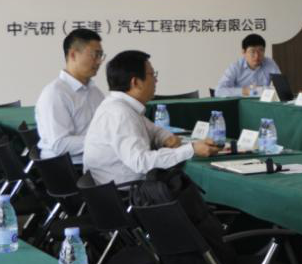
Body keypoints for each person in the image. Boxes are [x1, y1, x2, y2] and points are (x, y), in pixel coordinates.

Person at [83, 50, 220, 185]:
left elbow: (153, 129)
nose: (156, 80)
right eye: (152, 74)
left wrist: (166, 138)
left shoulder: (121, 105)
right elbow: (141, 162)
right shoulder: (120, 113)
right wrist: (191, 149)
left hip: (123, 187)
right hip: (125, 193)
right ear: (136, 82)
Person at [35, 28, 107, 163]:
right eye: (95, 55)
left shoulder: (94, 91)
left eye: (101, 55)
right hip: (70, 168)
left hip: (96, 161)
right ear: (73, 55)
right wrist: (104, 141)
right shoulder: (55, 94)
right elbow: (60, 145)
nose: (99, 62)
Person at [213, 33, 280, 97]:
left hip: (263, 102)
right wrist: (246, 91)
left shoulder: (270, 63)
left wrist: (261, 90)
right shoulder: (235, 67)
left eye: (260, 51)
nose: (257, 56)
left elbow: (281, 87)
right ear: (244, 52)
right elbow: (219, 91)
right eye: (252, 51)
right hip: (240, 103)